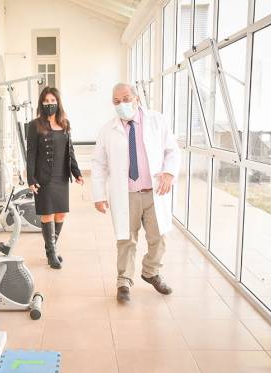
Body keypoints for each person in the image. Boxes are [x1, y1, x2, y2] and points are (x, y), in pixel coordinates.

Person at [92, 83, 180, 302]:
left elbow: (172, 150)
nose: (122, 104)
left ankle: (151, 271)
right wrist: (99, 195)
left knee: (159, 237)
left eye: (125, 98)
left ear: (136, 97)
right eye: (116, 101)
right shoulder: (107, 129)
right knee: (126, 239)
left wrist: (169, 173)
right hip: (126, 194)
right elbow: (99, 164)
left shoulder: (157, 121)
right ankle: (124, 281)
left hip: (154, 192)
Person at [27, 87, 83, 269]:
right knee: (47, 214)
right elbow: (31, 154)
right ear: (41, 104)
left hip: (61, 176)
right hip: (44, 177)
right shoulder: (35, 125)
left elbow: (70, 151)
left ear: (58, 103)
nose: (49, 104)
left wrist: (76, 172)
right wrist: (31, 179)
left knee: (61, 213)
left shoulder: (65, 123)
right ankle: (51, 253)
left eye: (52, 101)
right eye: (46, 101)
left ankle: (52, 247)